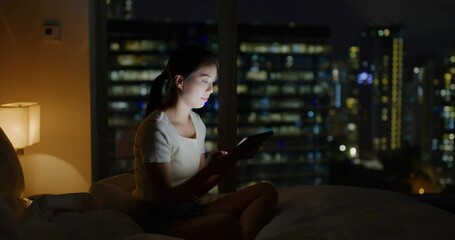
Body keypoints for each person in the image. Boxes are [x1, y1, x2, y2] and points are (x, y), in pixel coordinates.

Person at [131, 44, 278, 240]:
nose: (211, 89)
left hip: (190, 207)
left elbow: (197, 190)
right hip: (160, 219)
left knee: (266, 191)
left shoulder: (197, 123)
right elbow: (166, 200)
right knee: (226, 225)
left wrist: (232, 160)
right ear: (180, 81)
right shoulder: (155, 129)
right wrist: (210, 170)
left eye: (213, 82)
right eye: (205, 81)